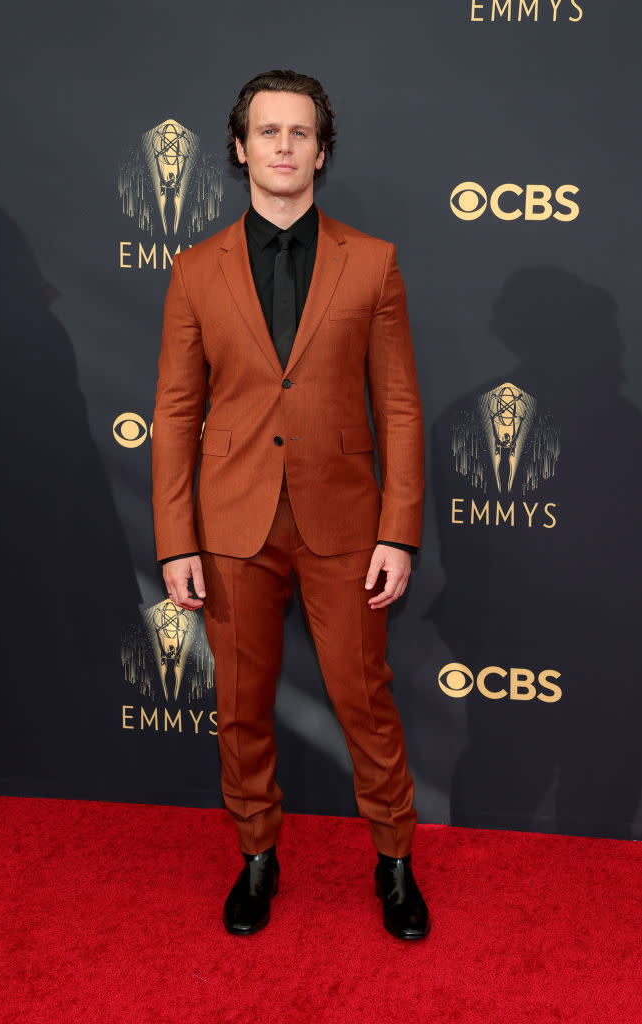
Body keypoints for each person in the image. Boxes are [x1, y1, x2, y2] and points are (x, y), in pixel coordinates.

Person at [152, 70, 429, 940]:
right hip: (231, 525)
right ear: (238, 149)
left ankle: (393, 862)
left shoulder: (372, 262)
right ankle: (257, 857)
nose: (282, 146)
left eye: (298, 133)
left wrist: (399, 531)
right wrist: (174, 541)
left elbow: (398, 407)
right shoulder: (195, 270)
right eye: (266, 132)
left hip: (345, 523)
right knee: (239, 703)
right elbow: (175, 413)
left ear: (319, 148)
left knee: (363, 698)